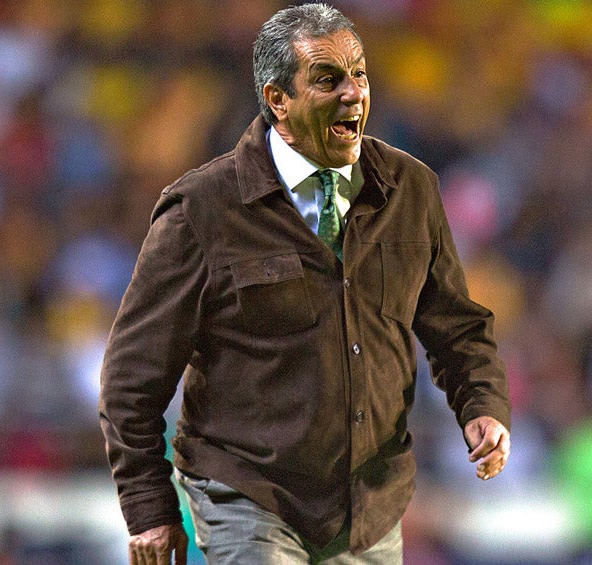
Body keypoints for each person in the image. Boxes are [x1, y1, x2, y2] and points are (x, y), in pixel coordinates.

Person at [98, 3, 511, 564]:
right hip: (249, 496)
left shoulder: (412, 190)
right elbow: (132, 377)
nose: (353, 93)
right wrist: (148, 505)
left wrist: (482, 404)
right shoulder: (202, 209)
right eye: (327, 79)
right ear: (278, 100)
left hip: (369, 511)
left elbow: (457, 326)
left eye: (359, 74)